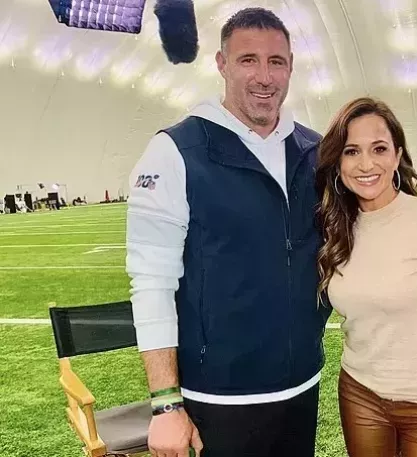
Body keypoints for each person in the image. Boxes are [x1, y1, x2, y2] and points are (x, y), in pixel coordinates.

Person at [125, 7, 331, 457]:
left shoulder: (316, 150)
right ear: (222, 64)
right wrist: (166, 404)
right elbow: (151, 281)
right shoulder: (176, 151)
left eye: (276, 62)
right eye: (248, 60)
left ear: (291, 67)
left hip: (301, 385)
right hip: (218, 398)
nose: (264, 76)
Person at [315, 97, 417, 457]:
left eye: (379, 149)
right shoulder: (336, 227)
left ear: (397, 156)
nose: (366, 164)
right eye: (351, 151)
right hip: (359, 394)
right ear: (338, 162)